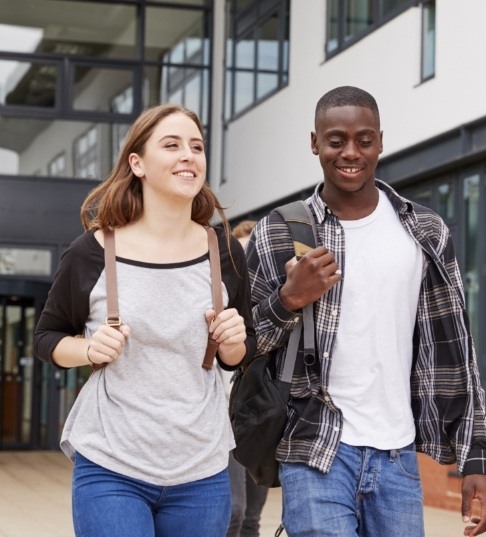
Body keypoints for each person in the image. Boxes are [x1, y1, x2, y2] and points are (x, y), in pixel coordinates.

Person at [245, 86, 486, 537]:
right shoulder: (279, 231)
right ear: (314, 143)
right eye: (336, 140)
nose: (351, 152)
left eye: (365, 139)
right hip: (314, 449)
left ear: (380, 141)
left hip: (397, 456)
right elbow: (240, 347)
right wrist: (287, 300)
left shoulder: (425, 233)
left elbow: (456, 349)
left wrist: (475, 457)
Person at [34, 103, 256, 537]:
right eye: (171, 145)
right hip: (112, 465)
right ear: (137, 163)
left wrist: (234, 343)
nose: (188, 155)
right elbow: (47, 337)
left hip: (202, 468)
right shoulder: (92, 251)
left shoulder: (225, 253)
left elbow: (237, 357)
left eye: (196, 146)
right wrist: (87, 348)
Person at [222, 219, 269, 537]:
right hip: (226, 418)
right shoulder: (224, 301)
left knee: (252, 517)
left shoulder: (273, 304)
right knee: (234, 511)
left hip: (262, 417)